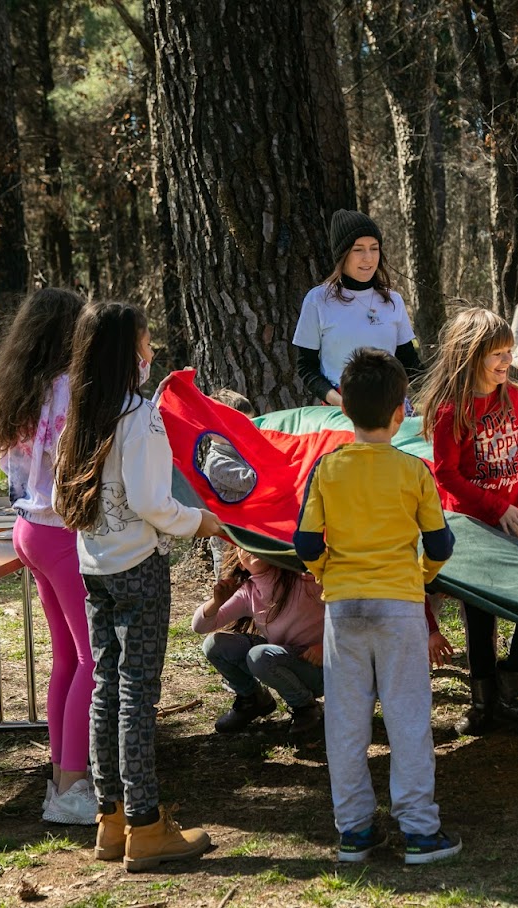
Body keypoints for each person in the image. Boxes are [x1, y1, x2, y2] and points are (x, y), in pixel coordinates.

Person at [54, 301, 223, 871]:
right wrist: (198, 520)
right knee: (136, 694)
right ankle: (147, 825)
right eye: (145, 345)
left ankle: (112, 819)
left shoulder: (81, 412)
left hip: (94, 566)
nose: (151, 355)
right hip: (139, 570)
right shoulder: (141, 415)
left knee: (106, 685)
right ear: (128, 352)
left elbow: (62, 498)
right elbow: (153, 502)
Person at [293, 348, 462, 865]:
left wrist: (328, 574)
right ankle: (418, 831)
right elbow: (439, 546)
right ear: (400, 412)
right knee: (409, 718)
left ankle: (355, 832)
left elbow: (304, 544)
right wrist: (419, 578)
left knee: (345, 722)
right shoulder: (415, 471)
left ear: (343, 409)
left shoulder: (326, 468)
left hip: (343, 607)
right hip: (400, 606)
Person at [418, 308, 518, 735]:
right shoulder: (453, 410)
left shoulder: (515, 396)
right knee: (480, 616)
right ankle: (483, 704)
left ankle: (513, 684)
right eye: (497, 354)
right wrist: (494, 507)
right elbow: (446, 474)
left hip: (517, 520)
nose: (507, 361)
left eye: (508, 352)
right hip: (474, 525)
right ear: (470, 357)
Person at [0, 287, 95, 824]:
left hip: (29, 529)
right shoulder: (66, 388)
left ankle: (60, 776)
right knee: (92, 660)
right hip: (61, 531)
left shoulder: (22, 388)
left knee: (67, 658)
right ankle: (73, 789)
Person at [193, 546, 325, 740]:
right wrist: (216, 602)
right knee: (215, 645)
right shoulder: (248, 592)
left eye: (254, 541)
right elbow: (200, 626)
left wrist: (327, 647)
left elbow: (351, 613)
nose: (249, 548)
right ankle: (252, 700)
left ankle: (306, 709)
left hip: (324, 669)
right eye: (242, 545)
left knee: (260, 656)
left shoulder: (305, 579)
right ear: (240, 562)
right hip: (288, 660)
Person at [292, 210, 422, 405]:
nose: (368, 258)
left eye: (374, 248)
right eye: (358, 249)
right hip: (339, 413)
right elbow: (306, 367)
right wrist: (341, 402)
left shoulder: (393, 300)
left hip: (391, 411)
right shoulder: (317, 300)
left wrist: (442, 396)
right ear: (342, 254)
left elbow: (411, 365)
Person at [201, 389, 258, 579]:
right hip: (228, 541)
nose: (247, 431)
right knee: (229, 587)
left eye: (250, 424)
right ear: (214, 430)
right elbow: (250, 481)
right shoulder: (218, 462)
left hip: (247, 538)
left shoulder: (241, 451)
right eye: (239, 425)